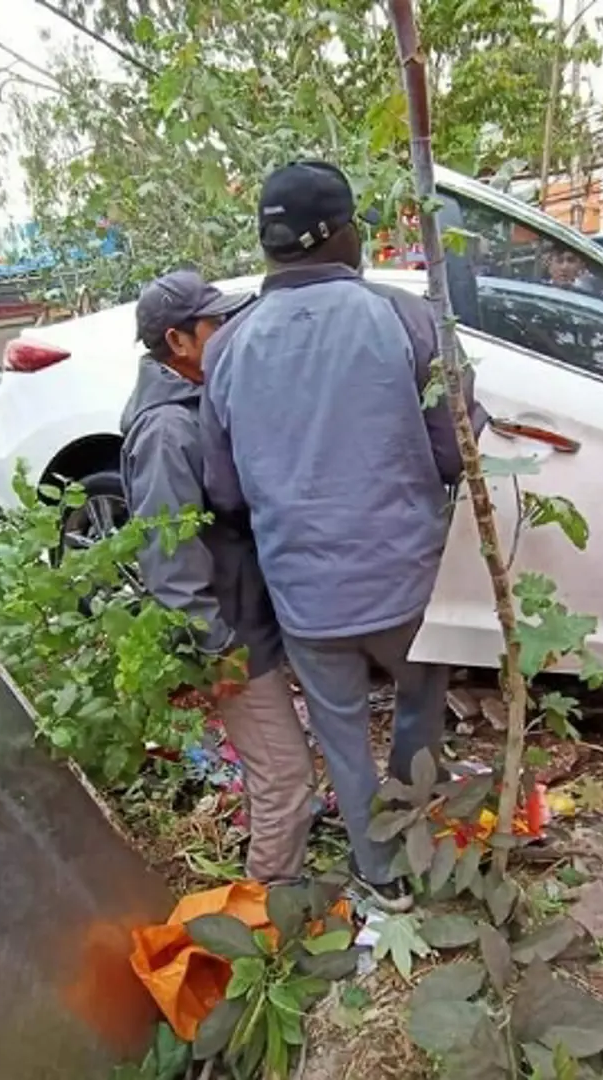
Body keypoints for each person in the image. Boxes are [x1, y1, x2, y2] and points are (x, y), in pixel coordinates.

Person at [199, 160, 485, 911]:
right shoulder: (405, 318)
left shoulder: (226, 348)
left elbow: (223, 490)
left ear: (270, 248)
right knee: (420, 704)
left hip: (305, 597)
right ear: (347, 233)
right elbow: (457, 450)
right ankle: (418, 824)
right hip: (406, 583)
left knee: (342, 735)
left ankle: (380, 872)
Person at [119, 269, 315, 885]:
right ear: (179, 342)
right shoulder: (166, 431)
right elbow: (169, 560)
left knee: (272, 770)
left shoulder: (195, 401)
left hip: (246, 622)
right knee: (287, 776)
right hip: (230, 638)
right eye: (216, 324)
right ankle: (266, 913)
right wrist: (216, 646)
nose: (229, 331)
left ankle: (267, 882)